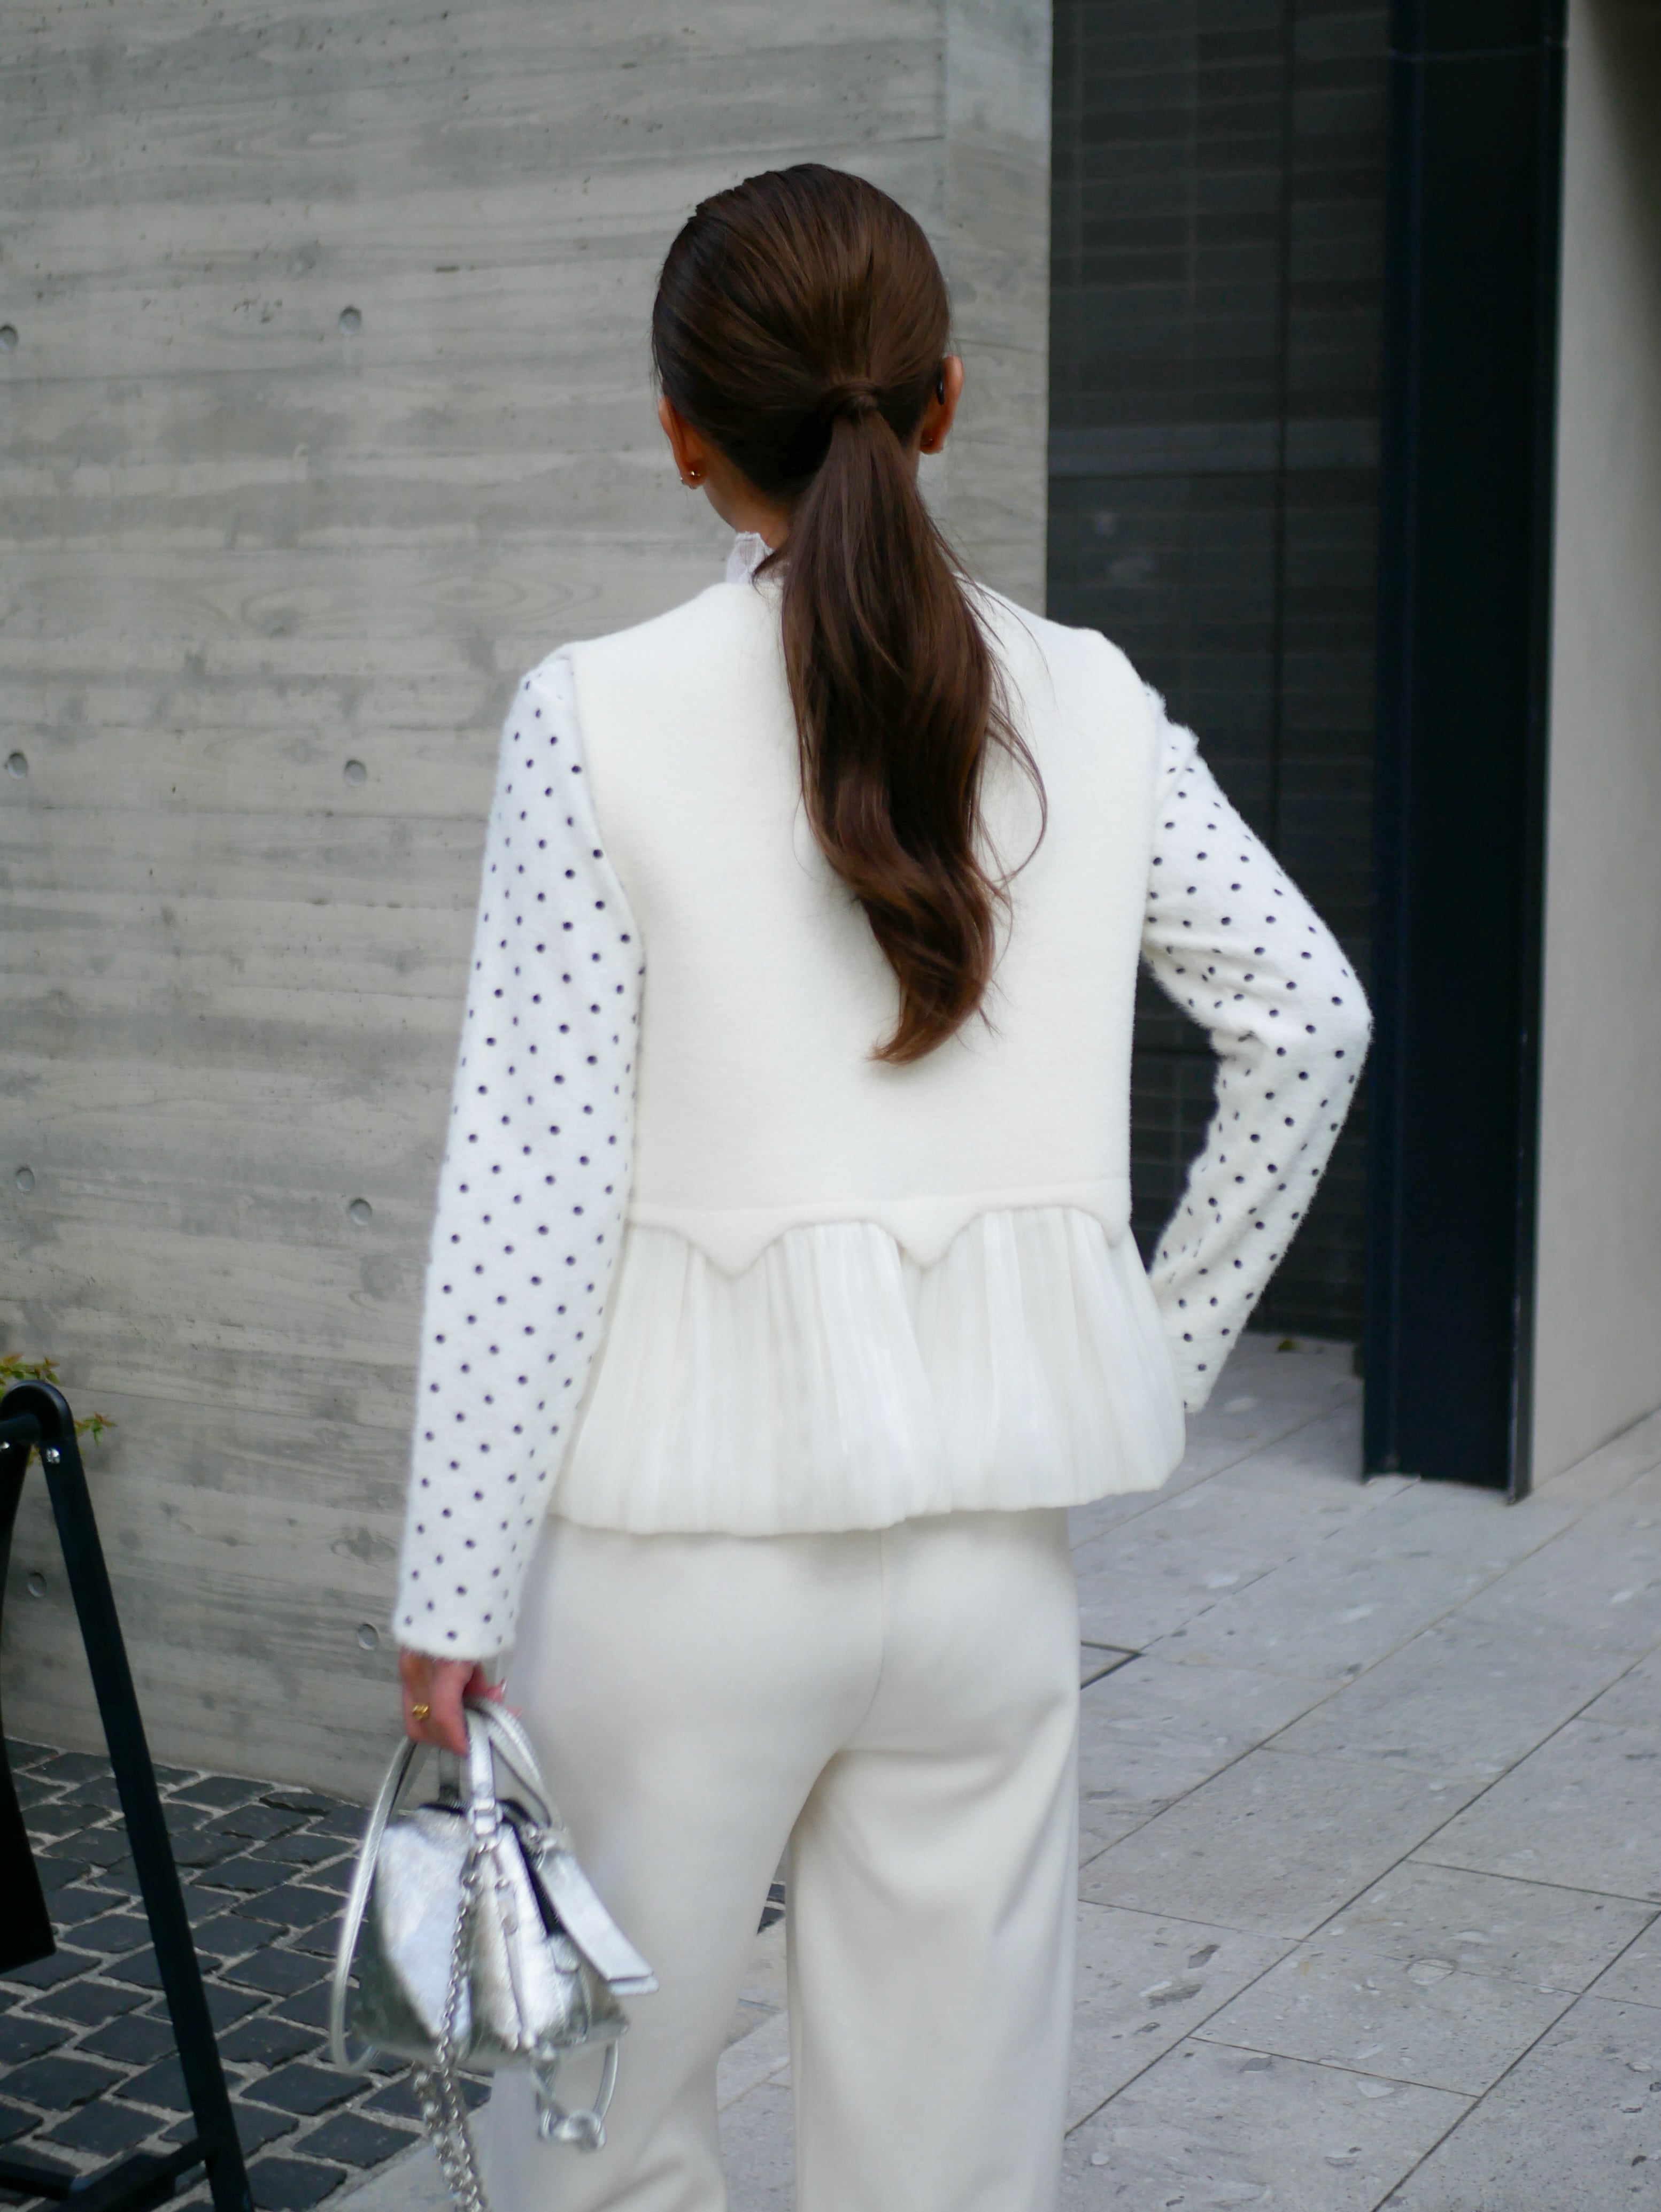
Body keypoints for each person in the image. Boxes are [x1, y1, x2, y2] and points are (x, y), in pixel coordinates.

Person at [392, 164, 1369, 2212]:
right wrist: (1149, 1352)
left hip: (676, 1564)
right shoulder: (1090, 700)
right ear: (942, 400)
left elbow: (530, 1189)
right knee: (949, 2160)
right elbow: (1308, 1021)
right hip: (985, 1572)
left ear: (681, 432)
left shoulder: (594, 715)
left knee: (587, 2138)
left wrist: (450, 1598)